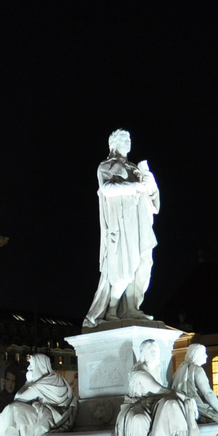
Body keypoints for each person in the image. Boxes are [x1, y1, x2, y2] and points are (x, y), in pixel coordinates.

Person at [84, 129, 160, 328]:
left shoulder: (135, 168)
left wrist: (150, 184)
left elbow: (153, 197)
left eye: (129, 139)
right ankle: (111, 309)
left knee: (144, 264)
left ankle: (132, 308)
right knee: (126, 266)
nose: (128, 142)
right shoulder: (106, 166)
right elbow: (106, 189)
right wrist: (135, 187)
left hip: (140, 221)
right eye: (124, 139)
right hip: (122, 223)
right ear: (114, 143)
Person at [104, 339, 202, 436]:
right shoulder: (139, 372)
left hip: (153, 403)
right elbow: (161, 390)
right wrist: (185, 397)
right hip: (137, 405)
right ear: (144, 353)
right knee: (139, 420)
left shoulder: (156, 368)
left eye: (157, 350)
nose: (156, 353)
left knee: (172, 405)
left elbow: (161, 393)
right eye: (152, 351)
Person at [0, 354, 76, 436]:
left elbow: (19, 397)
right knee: (16, 412)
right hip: (50, 416)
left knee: (14, 409)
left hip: (51, 417)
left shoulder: (45, 382)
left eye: (31, 367)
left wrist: (29, 382)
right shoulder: (53, 379)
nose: (28, 370)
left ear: (40, 366)